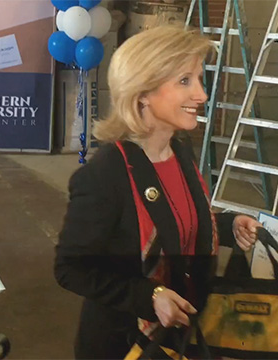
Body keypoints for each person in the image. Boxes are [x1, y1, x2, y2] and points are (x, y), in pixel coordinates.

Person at [54, 26, 262, 359]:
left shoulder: (180, 151)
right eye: (184, 81)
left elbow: (175, 222)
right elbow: (70, 268)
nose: (201, 95)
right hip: (126, 345)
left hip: (181, 337)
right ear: (142, 94)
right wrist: (150, 296)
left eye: (198, 79)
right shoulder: (106, 173)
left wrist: (227, 225)